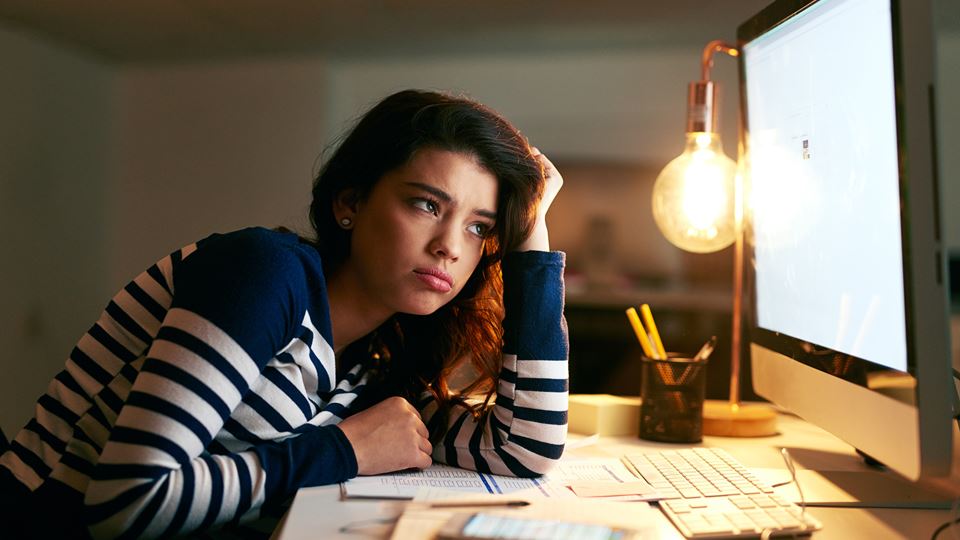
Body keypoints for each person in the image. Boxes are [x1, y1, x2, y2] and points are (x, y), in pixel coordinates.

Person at [0, 89, 567, 538]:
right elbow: (127, 501)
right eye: (426, 204)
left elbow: (525, 451)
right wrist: (344, 450)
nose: (450, 245)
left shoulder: (377, 365)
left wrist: (533, 246)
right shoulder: (265, 274)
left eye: (479, 228)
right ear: (349, 203)